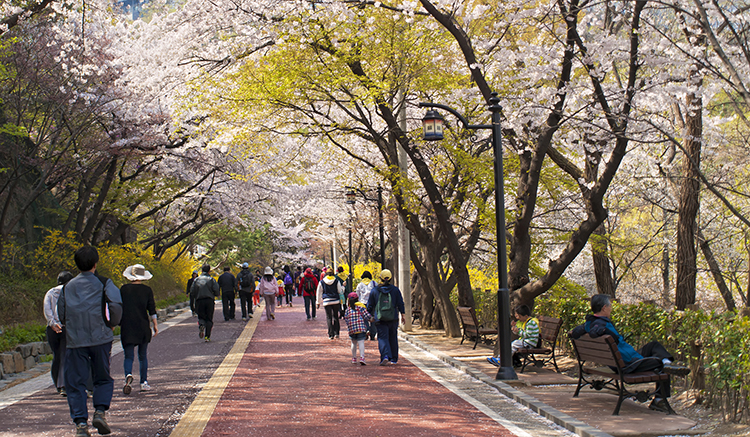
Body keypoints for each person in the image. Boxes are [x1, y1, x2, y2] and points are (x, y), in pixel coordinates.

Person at [570, 294, 690, 412]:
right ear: (604, 308)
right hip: (629, 364)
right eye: (610, 305)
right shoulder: (601, 324)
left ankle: (667, 362)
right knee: (661, 365)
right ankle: (659, 399)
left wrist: (588, 327)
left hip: (622, 360)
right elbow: (595, 332)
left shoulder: (590, 323)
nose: (611, 308)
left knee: (653, 345)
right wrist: (605, 331)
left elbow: (573, 333)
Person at [57, 246, 122, 437]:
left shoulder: (68, 287)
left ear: (76, 265)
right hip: (101, 338)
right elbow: (116, 305)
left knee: (75, 382)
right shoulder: (104, 282)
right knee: (102, 377)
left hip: (75, 340)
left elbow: (61, 312)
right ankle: (100, 412)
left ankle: (80, 424)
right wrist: (111, 323)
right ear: (96, 263)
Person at [120, 264, 158, 394]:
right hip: (142, 326)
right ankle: (143, 382)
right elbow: (152, 309)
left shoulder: (123, 290)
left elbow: (118, 307)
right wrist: (155, 325)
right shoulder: (147, 290)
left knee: (128, 356)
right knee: (142, 356)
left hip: (127, 326)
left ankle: (128, 375)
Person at [44, 271, 74, 397]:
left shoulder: (50, 292)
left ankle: (57, 382)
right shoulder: (70, 291)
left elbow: (47, 309)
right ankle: (63, 385)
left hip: (52, 329)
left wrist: (52, 323)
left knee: (56, 355)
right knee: (64, 355)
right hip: (65, 326)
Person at [366, 269, 405, 366]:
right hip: (393, 318)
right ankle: (394, 358)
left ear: (380, 278)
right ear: (390, 278)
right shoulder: (395, 290)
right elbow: (400, 303)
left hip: (380, 318)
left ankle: (385, 356)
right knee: (393, 337)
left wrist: (369, 316)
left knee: (383, 337)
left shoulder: (375, 290)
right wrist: (403, 314)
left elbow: (370, 305)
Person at [190, 264, 220, 342]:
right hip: (209, 300)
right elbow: (216, 290)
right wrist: (216, 294)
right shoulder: (211, 279)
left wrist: (196, 297)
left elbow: (192, 291)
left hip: (199, 300)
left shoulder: (196, 280)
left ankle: (201, 324)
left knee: (201, 316)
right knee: (209, 318)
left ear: (201, 271)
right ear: (209, 271)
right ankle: (207, 336)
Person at [344, 292, 374, 365]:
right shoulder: (360, 308)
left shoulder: (348, 310)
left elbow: (346, 319)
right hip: (360, 328)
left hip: (352, 329)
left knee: (353, 343)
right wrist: (372, 319)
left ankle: (354, 358)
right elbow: (367, 316)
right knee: (361, 342)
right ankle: (362, 357)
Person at [319, 267, 345, 339]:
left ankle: (331, 334)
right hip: (335, 301)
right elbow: (340, 291)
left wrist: (318, 302)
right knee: (335, 316)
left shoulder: (322, 282)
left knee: (329, 317)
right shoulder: (336, 281)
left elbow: (319, 292)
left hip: (327, 301)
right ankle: (337, 332)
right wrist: (343, 287)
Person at [355, 271, 377, 341]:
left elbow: (357, 295)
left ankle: (367, 330)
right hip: (372, 303)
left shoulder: (360, 284)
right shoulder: (374, 283)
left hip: (363, 304)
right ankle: (373, 334)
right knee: (373, 317)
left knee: (364, 318)